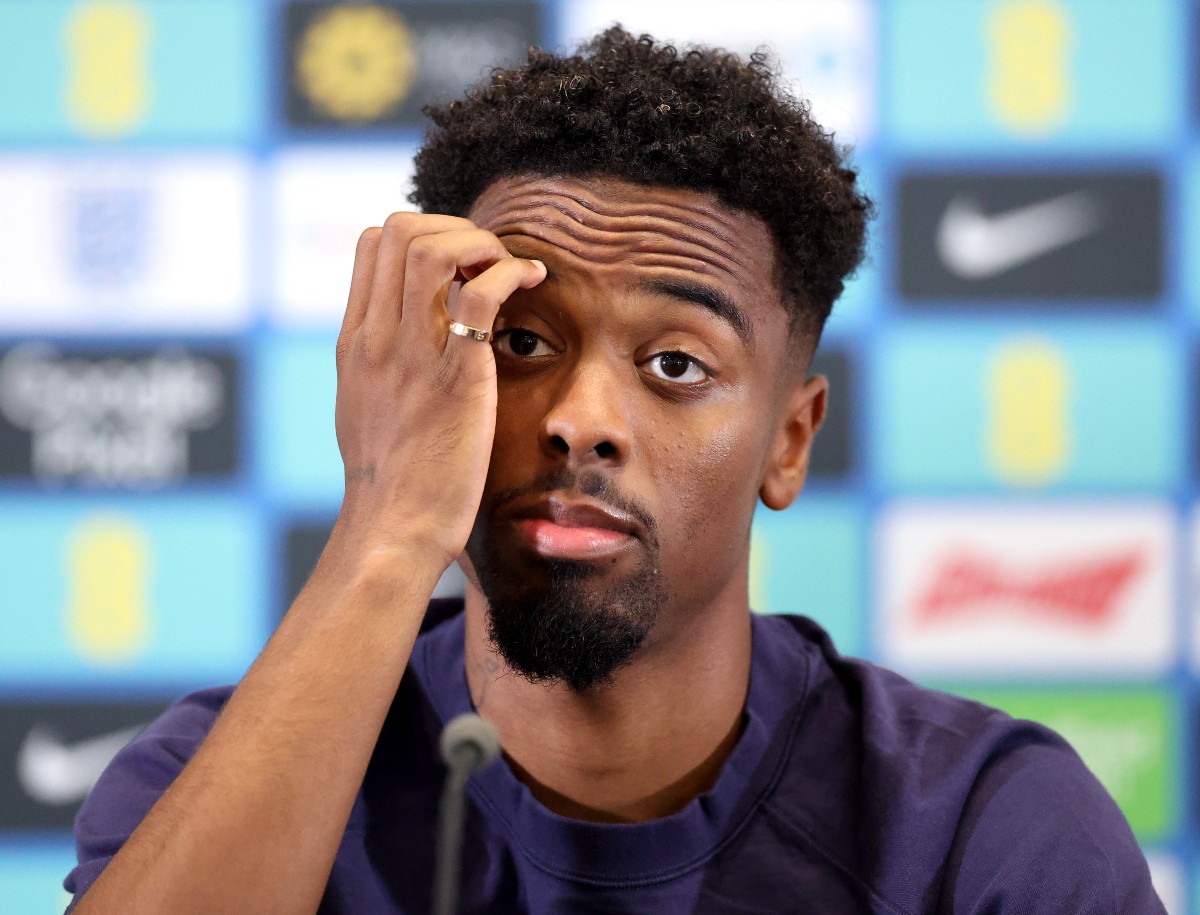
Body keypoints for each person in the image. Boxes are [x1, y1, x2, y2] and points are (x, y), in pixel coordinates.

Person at [65, 27, 1162, 914]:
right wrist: (389, 526)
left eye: (676, 363)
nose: (583, 421)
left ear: (791, 439)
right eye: (523, 344)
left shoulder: (982, 829)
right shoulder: (215, 778)